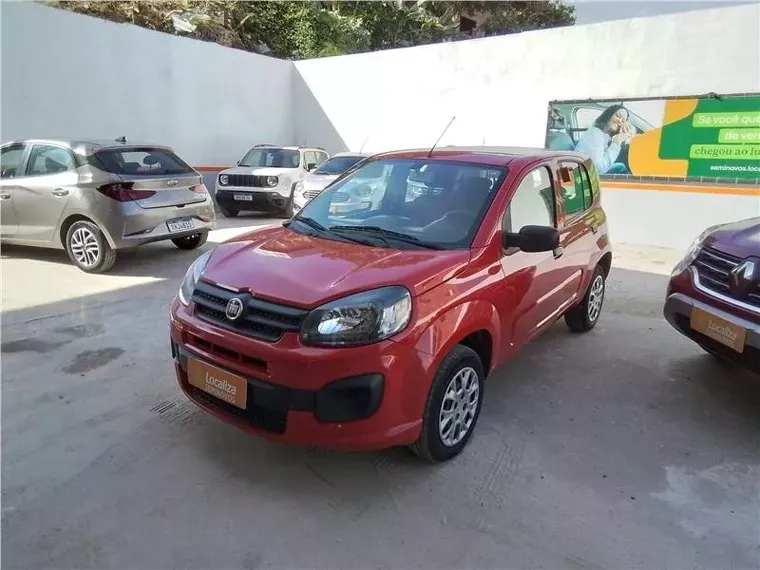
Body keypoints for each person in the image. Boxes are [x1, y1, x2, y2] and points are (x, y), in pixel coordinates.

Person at [574, 104, 633, 174]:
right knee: (622, 168)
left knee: (621, 166)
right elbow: (597, 170)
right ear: (608, 115)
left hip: (589, 173)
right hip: (584, 176)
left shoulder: (604, 136)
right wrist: (617, 141)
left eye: (623, 121)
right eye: (618, 116)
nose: (620, 121)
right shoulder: (595, 134)